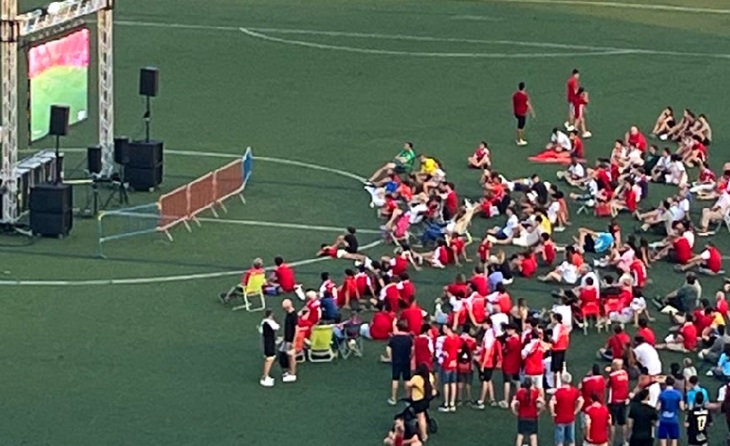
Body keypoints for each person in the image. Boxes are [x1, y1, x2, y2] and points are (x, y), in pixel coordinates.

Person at [550, 372, 583, 446]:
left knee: (559, 441)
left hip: (560, 418)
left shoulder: (558, 392)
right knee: (571, 440)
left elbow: (551, 402)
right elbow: (581, 400)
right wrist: (576, 411)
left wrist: (553, 413)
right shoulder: (574, 391)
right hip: (570, 418)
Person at [406, 363, 435, 442]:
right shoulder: (430, 376)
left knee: (421, 418)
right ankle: (423, 432)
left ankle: (423, 435)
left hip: (418, 401)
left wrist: (408, 394)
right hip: (426, 400)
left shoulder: (416, 378)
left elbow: (408, 384)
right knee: (423, 416)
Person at [387, 320, 414, 405]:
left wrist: (391, 358)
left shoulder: (394, 338)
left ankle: (393, 398)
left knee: (395, 379)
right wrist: (410, 356)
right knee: (407, 379)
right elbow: (413, 349)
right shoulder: (409, 338)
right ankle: (408, 398)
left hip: (396, 360)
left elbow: (388, 348)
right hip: (406, 360)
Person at [512, 377, 544, 446]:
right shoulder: (535, 392)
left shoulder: (520, 392)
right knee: (533, 436)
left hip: (522, 416)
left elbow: (513, 404)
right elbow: (542, 402)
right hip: (532, 417)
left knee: (520, 435)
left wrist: (515, 412)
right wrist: (539, 412)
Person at [606, 359, 630, 445]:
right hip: (623, 400)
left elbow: (607, 384)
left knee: (612, 423)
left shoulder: (612, 376)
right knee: (623, 422)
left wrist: (608, 373)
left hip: (614, 401)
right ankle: (624, 441)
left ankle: (611, 442)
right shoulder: (625, 373)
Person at [657, 376, 684, 446]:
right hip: (674, 419)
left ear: (665, 383)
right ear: (673, 383)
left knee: (663, 438)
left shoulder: (662, 394)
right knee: (674, 438)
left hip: (663, 419)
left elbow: (658, 407)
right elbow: (682, 408)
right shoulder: (678, 394)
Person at [259, 309, 280, 387]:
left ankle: (266, 376)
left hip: (267, 341)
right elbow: (277, 327)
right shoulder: (269, 322)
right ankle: (265, 377)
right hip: (269, 343)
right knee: (270, 358)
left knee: (270, 358)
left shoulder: (263, 322)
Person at [280, 299, 298, 383]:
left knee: (291, 356)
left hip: (291, 339)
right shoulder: (289, 313)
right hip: (287, 338)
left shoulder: (293, 315)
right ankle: (290, 371)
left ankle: (292, 374)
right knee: (288, 355)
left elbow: (296, 329)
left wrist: (294, 341)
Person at [512, 81, 535, 146]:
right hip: (522, 113)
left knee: (519, 125)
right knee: (521, 127)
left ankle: (519, 138)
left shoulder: (515, 95)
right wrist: (532, 112)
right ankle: (520, 139)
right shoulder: (524, 96)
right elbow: (527, 104)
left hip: (516, 112)